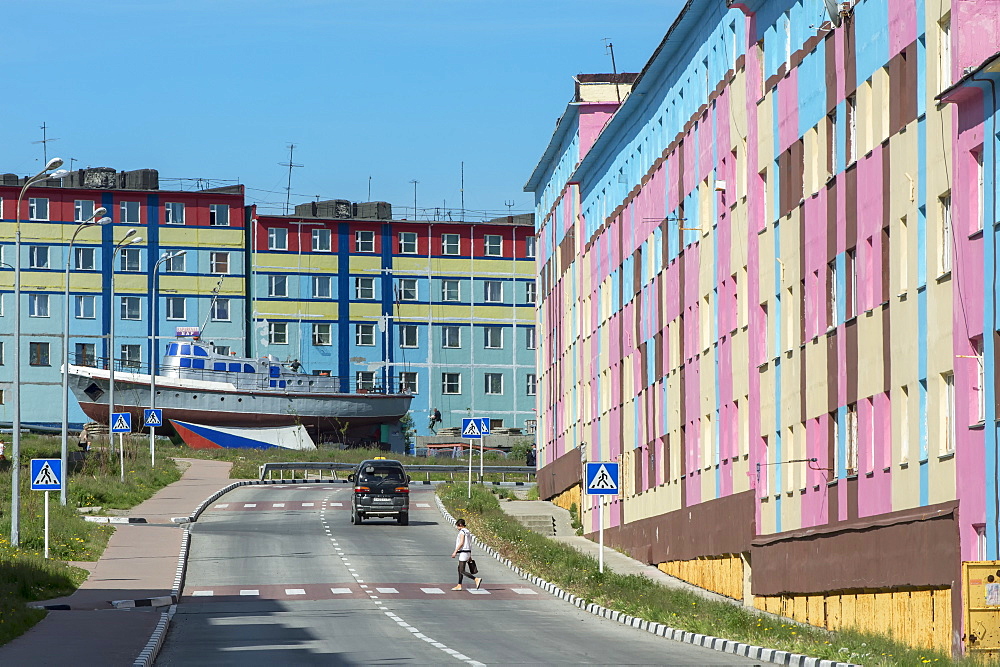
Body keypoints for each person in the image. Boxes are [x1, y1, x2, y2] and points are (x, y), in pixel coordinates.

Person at [450, 518, 481, 590]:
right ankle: (459, 585)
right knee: (459, 568)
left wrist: (455, 551)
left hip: (463, 552)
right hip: (468, 551)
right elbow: (469, 543)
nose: (457, 528)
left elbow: (461, 543)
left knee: (462, 570)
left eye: (457, 526)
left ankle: (476, 579)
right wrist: (470, 555)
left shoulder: (462, 532)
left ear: (460, 525)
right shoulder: (468, 531)